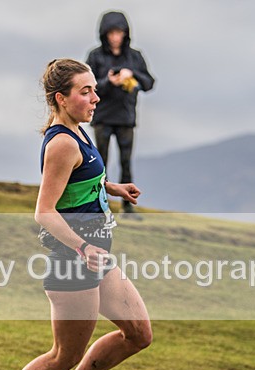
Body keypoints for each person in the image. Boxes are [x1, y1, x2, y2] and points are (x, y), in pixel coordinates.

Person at [0, 59, 153, 370]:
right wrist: (82, 245)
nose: (96, 97)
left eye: (94, 88)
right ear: (61, 98)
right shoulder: (61, 143)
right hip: (73, 260)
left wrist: (113, 187)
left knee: (138, 333)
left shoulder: (78, 133)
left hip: (96, 254)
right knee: (63, 354)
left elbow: (83, 178)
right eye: (85, 91)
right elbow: (44, 211)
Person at [86, 11, 155, 218]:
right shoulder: (95, 56)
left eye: (119, 32)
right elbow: (87, 86)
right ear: (104, 34)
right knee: (100, 162)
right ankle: (98, 205)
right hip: (102, 118)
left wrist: (132, 74)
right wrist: (109, 82)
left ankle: (127, 206)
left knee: (126, 163)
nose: (116, 37)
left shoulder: (135, 57)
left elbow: (149, 83)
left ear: (126, 33)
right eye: (112, 33)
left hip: (126, 119)